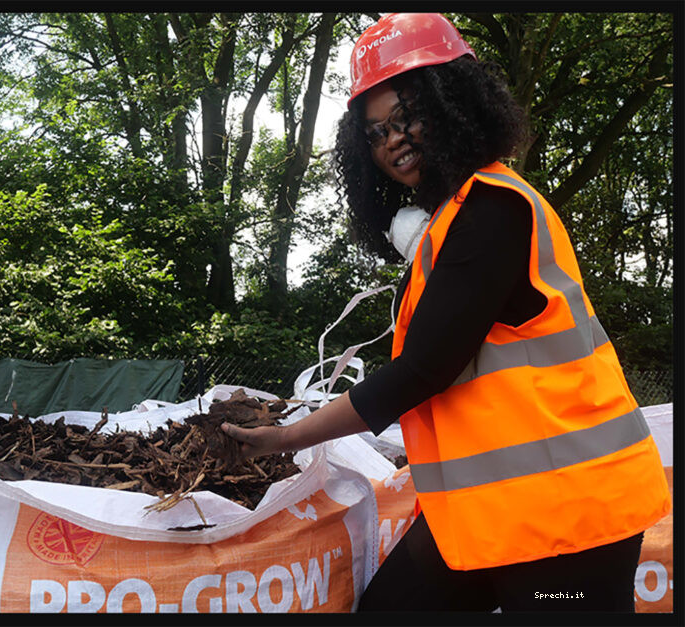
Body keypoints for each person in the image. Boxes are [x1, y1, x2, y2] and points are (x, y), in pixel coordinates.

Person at [221, 13, 670, 612]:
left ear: (455, 104)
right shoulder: (453, 221)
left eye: (408, 116)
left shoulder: (494, 209)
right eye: (376, 132)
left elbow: (423, 371)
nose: (394, 140)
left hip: (568, 520)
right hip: (489, 511)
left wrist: (285, 438)